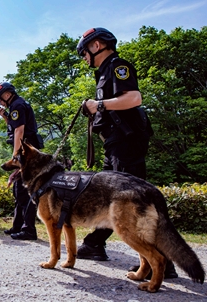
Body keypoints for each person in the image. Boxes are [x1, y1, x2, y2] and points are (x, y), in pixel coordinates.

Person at [76, 27, 177, 278]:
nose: (84, 58)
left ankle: (163, 260)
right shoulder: (103, 74)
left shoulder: (118, 66)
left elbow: (134, 98)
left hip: (126, 141)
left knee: (132, 199)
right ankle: (95, 244)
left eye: (84, 52)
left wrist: (98, 104)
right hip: (114, 142)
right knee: (109, 196)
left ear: (96, 45)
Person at [0, 81, 42, 240]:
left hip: (25, 151)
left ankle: (29, 229)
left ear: (7, 95)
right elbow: (15, 127)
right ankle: (17, 226)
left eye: (1, 99)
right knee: (18, 189)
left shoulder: (18, 106)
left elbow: (20, 131)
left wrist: (16, 156)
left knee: (23, 190)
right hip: (26, 149)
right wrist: (5, 117)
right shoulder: (16, 106)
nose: (1, 102)